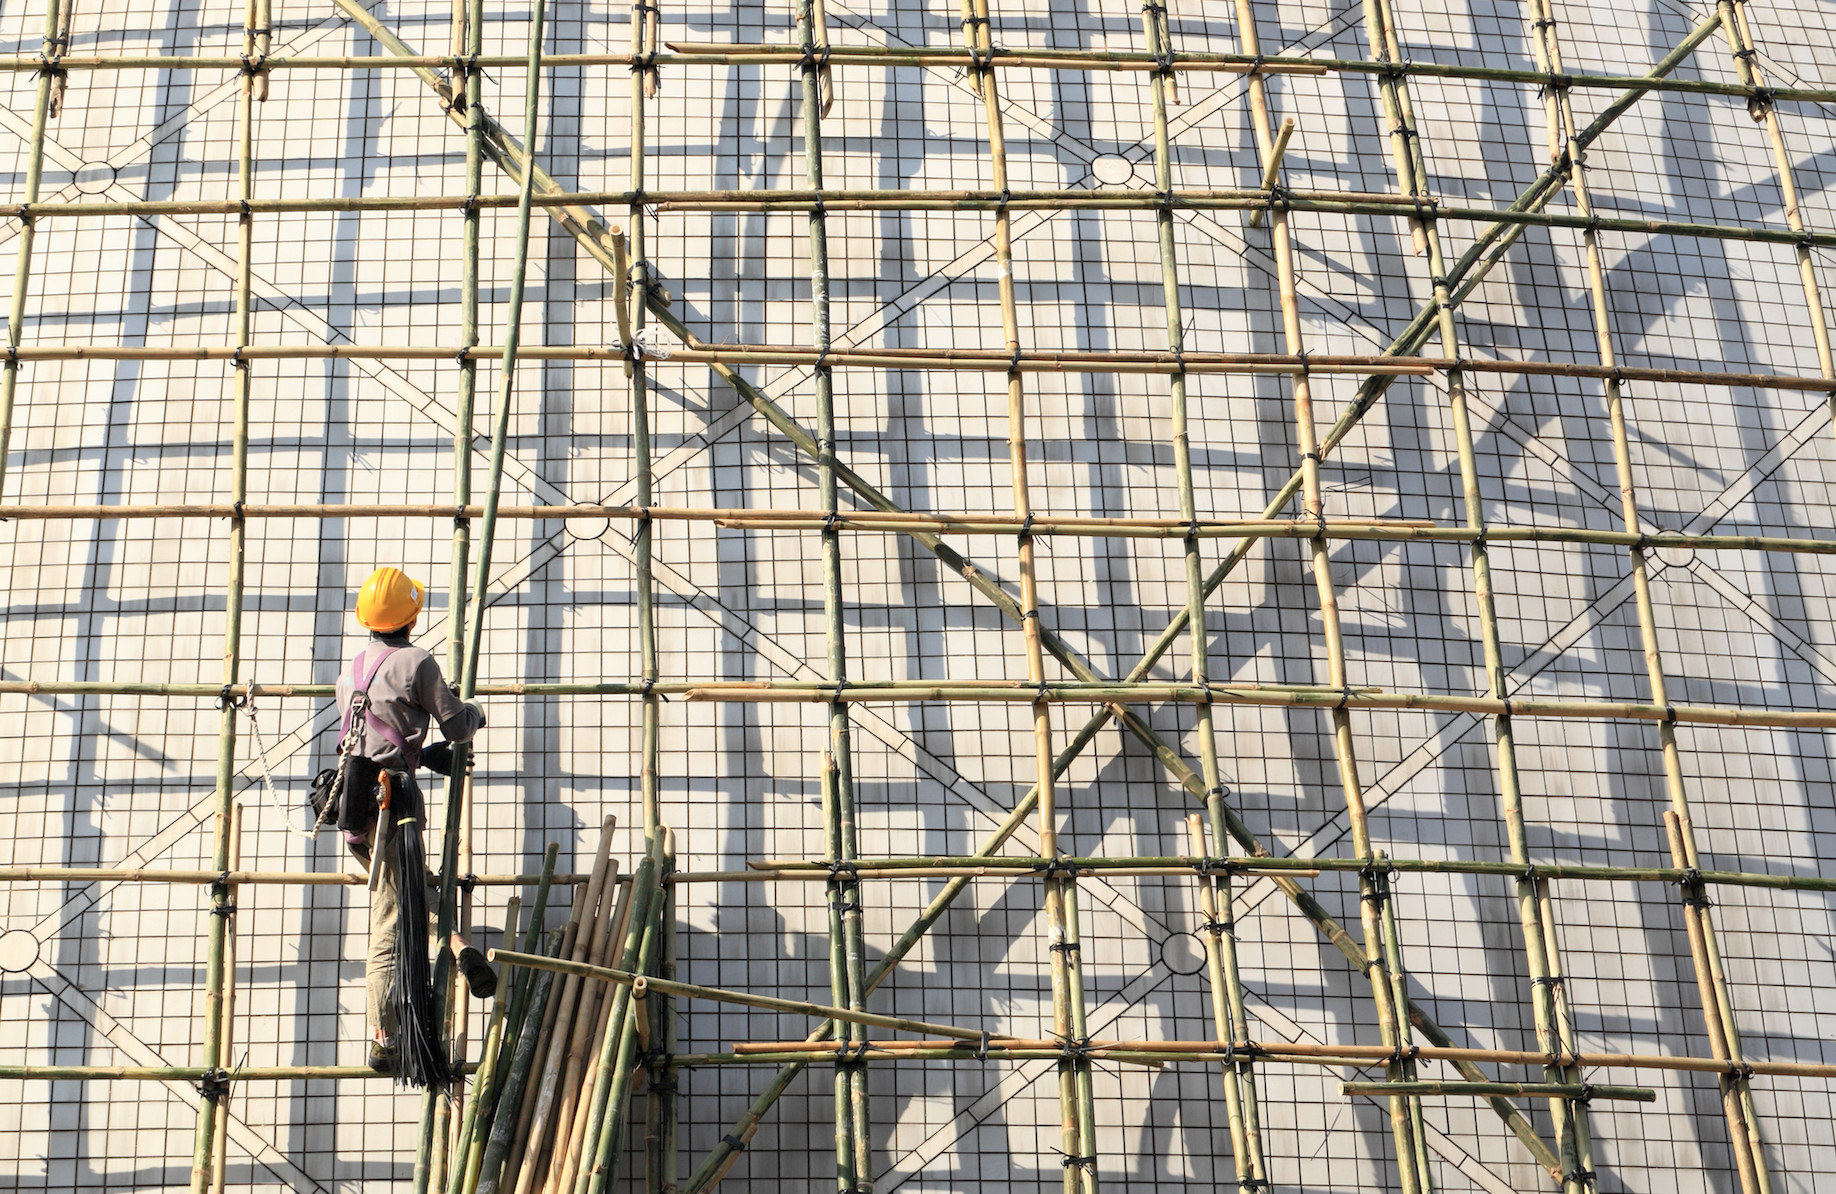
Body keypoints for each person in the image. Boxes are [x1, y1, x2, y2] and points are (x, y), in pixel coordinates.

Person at [333, 566, 492, 1079]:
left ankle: (461, 949)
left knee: (413, 896)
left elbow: (373, 741)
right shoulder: (417, 662)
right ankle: (382, 1037)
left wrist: (421, 756)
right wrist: (475, 713)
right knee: (391, 920)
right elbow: (456, 725)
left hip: (356, 810)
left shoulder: (351, 673)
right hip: (393, 811)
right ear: (412, 617)